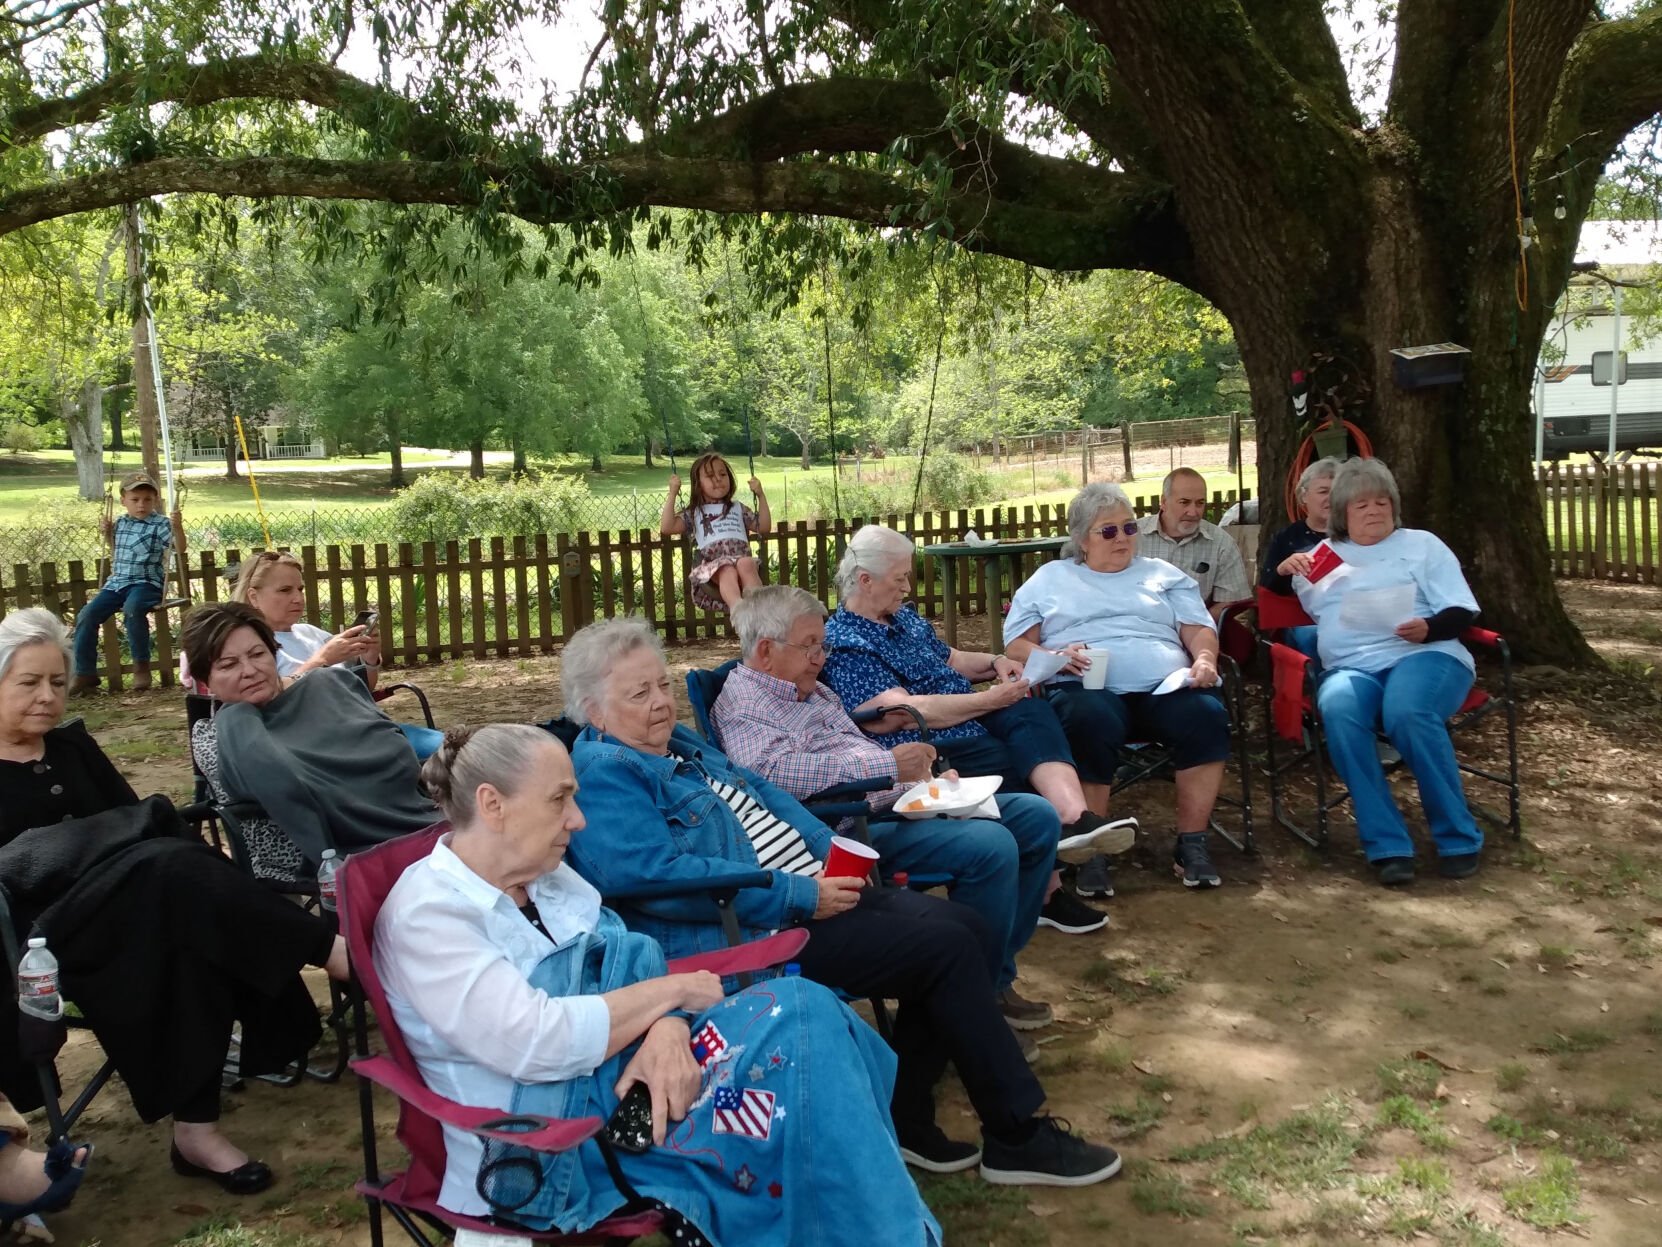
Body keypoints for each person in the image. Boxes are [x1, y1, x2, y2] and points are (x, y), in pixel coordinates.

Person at [563, 618, 1123, 1187]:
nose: (661, 703)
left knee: (967, 928)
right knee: (945, 945)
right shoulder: (606, 774)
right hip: (750, 934)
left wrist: (830, 847)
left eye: (661, 685)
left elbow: (766, 793)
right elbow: (661, 879)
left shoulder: (677, 744)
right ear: (594, 711)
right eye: (640, 693)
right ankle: (1016, 1134)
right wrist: (801, 893)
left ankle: (906, 1115)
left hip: (809, 891)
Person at [377, 724, 941, 1244]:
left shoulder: (544, 880)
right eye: (559, 800)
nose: (578, 820)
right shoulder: (431, 915)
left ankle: (872, 1228)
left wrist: (666, 1031)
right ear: (492, 805)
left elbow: (626, 951)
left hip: (634, 1077)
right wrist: (672, 996)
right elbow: (536, 1040)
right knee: (803, 1066)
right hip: (560, 1132)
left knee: (804, 1010)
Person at [0, 608, 347, 1196]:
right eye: (28, 683)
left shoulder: (73, 749)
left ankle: (196, 1136)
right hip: (46, 943)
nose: (47, 696)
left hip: (138, 914)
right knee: (169, 863)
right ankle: (332, 950)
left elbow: (136, 823)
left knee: (187, 936)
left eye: (57, 682)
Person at [714, 587, 1130, 1042]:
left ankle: (988, 981)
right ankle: (972, 1008)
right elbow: (772, 774)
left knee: (1036, 818)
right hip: (847, 832)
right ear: (766, 650)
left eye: (822, 644)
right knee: (990, 846)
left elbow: (856, 746)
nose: (821, 656)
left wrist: (923, 784)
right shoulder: (746, 702)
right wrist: (889, 766)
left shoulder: (811, 693)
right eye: (811, 645)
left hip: (894, 805)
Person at [819, 524, 1131, 930]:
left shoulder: (902, 619)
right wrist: (987, 699)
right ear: (865, 580)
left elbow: (950, 659)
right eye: (900, 578)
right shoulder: (845, 642)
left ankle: (1073, 817)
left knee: (1033, 713)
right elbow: (899, 713)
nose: (909, 587)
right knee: (1015, 758)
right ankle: (1047, 891)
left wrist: (996, 662)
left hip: (969, 722)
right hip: (929, 746)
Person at [1004, 482, 1234, 891]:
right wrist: (1056, 655)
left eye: (1129, 528)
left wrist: (1204, 658)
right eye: (1107, 531)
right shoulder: (1050, 579)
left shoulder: (1163, 575)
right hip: (1087, 686)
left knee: (1206, 713)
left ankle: (1192, 844)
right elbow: (1017, 646)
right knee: (1088, 717)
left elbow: (1198, 629)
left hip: (1165, 686)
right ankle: (1092, 848)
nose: (1122, 538)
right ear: (1081, 540)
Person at [1287, 458, 1484, 887]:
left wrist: (1430, 628)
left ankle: (1457, 836)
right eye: (1361, 505)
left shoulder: (1422, 545)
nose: (1374, 511)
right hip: (1353, 665)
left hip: (1426, 654)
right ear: (1341, 514)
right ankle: (1387, 843)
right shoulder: (1325, 556)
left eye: (1382, 502)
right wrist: (1286, 568)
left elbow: (1462, 610)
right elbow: (1293, 596)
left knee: (1407, 712)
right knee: (1338, 708)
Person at [181, 602, 439, 868]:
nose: (249, 670)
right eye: (228, 665)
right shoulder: (224, 732)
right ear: (206, 680)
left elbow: (398, 753)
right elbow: (278, 783)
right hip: (360, 857)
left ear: (273, 653)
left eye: (258, 654)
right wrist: (237, 714)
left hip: (430, 823)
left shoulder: (334, 684)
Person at [218, 550, 442, 758]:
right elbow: (273, 702)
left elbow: (363, 690)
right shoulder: (253, 649)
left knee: (459, 749)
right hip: (322, 744)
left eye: (300, 589)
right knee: (451, 756)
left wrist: (369, 658)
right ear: (253, 596)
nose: (297, 598)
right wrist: (323, 660)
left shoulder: (311, 633)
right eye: (285, 590)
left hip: (364, 727)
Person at [69, 471, 180, 694]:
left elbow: (179, 548)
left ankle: (141, 666)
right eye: (135, 500)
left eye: (147, 499)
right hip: (117, 584)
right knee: (86, 615)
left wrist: (178, 528)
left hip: (146, 584)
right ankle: (85, 673)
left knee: (133, 608)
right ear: (123, 501)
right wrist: (108, 534)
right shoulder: (120, 523)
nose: (141, 505)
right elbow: (118, 550)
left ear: (155, 500)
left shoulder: (160, 524)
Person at [1136, 467, 1251, 621]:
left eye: (1200, 503)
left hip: (1195, 633)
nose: (1193, 512)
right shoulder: (1131, 536)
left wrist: (1194, 628)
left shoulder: (1221, 544)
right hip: (1135, 629)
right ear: (1163, 502)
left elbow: (1229, 602)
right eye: (1184, 502)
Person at [660, 454, 772, 612]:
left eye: (723, 474)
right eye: (710, 475)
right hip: (714, 565)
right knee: (726, 569)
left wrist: (760, 495)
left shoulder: (737, 508)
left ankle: (759, 609)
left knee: (746, 563)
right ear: (698, 484)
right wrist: (672, 493)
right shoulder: (695, 512)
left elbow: (764, 526)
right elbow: (667, 527)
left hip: (741, 560)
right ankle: (738, 611)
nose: (718, 479)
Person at [1260, 457, 1342, 658]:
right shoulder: (1288, 538)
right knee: (1314, 636)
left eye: (1337, 492)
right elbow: (1267, 588)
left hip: (1354, 616)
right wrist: (1283, 570)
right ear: (1304, 496)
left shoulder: (1356, 534)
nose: (1330, 498)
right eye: (1323, 491)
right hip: (1303, 621)